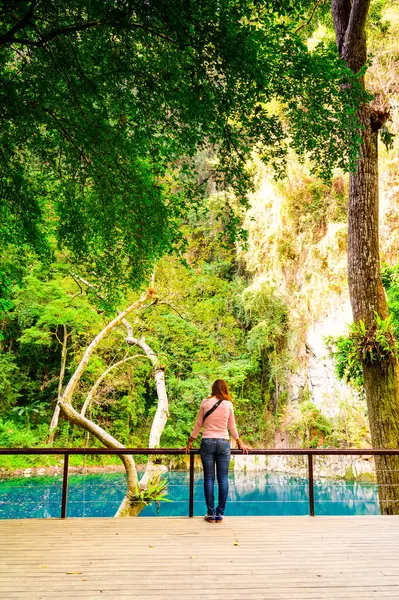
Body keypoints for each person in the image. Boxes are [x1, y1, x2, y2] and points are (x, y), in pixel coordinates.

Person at [186, 379, 249, 522]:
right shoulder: (228, 405)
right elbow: (232, 427)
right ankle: (220, 514)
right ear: (225, 389)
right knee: (223, 479)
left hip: (207, 442)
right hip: (223, 443)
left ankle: (211, 513)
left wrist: (190, 441)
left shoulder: (205, 403)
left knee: (209, 479)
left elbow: (199, 424)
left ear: (213, 389)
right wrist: (239, 443)